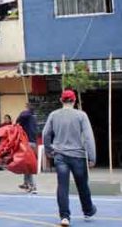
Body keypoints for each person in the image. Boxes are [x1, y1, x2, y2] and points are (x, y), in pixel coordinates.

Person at [43, 90, 97, 226]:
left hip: (60, 155)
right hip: (78, 156)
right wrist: (92, 157)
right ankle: (88, 210)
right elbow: (89, 137)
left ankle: (64, 216)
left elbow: (45, 134)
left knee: (62, 186)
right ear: (74, 101)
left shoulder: (53, 115)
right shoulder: (81, 115)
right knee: (82, 185)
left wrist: (49, 150)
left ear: (61, 101)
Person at [16, 103, 39, 194]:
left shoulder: (27, 116)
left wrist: (26, 111)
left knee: (28, 165)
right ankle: (26, 183)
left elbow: (19, 118)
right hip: (32, 142)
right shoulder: (33, 118)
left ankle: (33, 186)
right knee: (26, 164)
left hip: (28, 142)